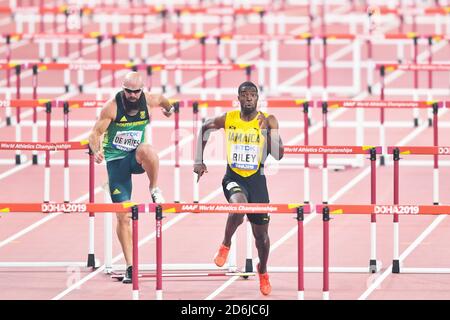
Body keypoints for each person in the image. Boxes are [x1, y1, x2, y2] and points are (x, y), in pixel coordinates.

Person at [193, 81, 284, 295]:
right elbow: (205, 127)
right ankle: (225, 244)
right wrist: (199, 160)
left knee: (261, 237)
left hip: (257, 180)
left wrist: (267, 134)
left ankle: (263, 270)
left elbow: (279, 155)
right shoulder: (229, 119)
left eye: (253, 94)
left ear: (258, 99)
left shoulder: (268, 120)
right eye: (245, 94)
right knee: (238, 205)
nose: (250, 98)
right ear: (239, 98)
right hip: (233, 177)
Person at [89, 71, 173, 283]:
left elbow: (163, 99)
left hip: (136, 158)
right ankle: (130, 266)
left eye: (137, 91)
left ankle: (154, 188)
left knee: (148, 150)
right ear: (123, 89)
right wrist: (95, 149)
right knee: (123, 216)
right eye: (129, 91)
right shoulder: (112, 107)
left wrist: (169, 109)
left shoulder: (149, 100)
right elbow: (95, 133)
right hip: (117, 163)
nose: (133, 95)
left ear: (141, 90)